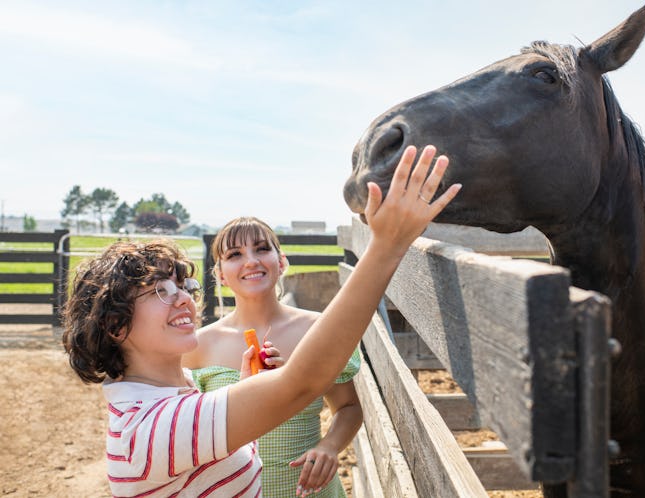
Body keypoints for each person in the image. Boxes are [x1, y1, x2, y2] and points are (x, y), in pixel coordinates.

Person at [62, 145, 461, 497]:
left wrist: (249, 390)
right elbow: (297, 386)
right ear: (117, 327)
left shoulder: (173, 391)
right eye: (160, 292)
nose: (183, 297)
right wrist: (387, 246)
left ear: (280, 260)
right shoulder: (149, 432)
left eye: (181, 285)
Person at [183, 215, 362, 498]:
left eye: (262, 249)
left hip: (312, 492)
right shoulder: (197, 346)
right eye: (235, 254)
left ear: (281, 262)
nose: (251, 260)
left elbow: (348, 407)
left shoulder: (318, 331)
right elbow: (191, 434)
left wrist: (329, 446)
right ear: (219, 274)